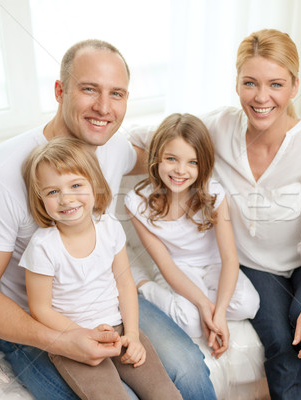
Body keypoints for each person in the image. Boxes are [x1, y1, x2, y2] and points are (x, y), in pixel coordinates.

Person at [0, 39, 216, 400]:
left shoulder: (112, 146)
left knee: (186, 370)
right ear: (60, 91)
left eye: (117, 94)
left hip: (107, 301)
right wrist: (61, 340)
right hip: (37, 321)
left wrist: (217, 140)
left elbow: (161, 158)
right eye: (89, 89)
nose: (103, 108)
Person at [129, 29, 301, 400]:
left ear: (294, 86)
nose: (262, 97)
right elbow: (154, 138)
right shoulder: (219, 127)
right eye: (250, 83)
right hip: (256, 267)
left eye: (276, 84)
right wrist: (81, 158)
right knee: (280, 341)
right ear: (237, 84)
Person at [19, 137, 182, 400]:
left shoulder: (109, 226)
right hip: (72, 338)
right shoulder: (43, 247)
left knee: (166, 394)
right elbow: (40, 309)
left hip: (117, 328)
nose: (66, 199)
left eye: (75, 185)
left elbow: (125, 283)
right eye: (52, 192)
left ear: (94, 185)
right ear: (40, 199)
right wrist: (83, 335)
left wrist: (131, 334)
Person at [124, 113, 260, 359]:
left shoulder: (215, 194)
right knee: (191, 323)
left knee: (249, 304)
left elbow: (230, 259)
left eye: (192, 162)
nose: (180, 170)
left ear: (203, 165)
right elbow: (165, 264)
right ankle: (143, 285)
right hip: (177, 268)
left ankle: (204, 305)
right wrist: (201, 304)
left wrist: (217, 313)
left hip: (214, 264)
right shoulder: (136, 202)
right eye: (171, 159)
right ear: (156, 159)